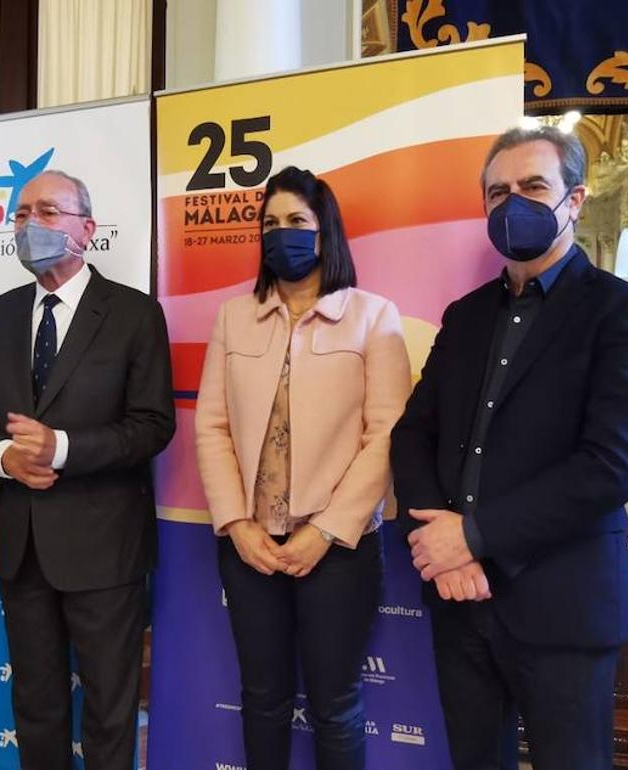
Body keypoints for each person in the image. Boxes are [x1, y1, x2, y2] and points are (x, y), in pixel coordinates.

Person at [390, 126, 628, 770]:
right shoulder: (466, 315)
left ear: (575, 199)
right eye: (497, 192)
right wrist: (441, 544)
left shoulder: (624, 312)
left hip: (561, 603)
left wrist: (474, 538)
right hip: (459, 600)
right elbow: (413, 433)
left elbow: (609, 467)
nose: (513, 203)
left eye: (533, 187)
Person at [0, 170, 175, 770]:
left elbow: (154, 425)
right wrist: (5, 459)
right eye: (22, 215)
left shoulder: (134, 314)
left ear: (87, 229)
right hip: (22, 545)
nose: (30, 225)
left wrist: (63, 448)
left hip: (105, 548)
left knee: (109, 706)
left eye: (48, 212)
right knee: (36, 700)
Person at [195, 166, 412, 770]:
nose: (281, 234)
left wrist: (326, 530)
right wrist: (238, 524)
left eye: (297, 222)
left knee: (335, 704)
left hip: (338, 548)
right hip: (251, 545)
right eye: (270, 224)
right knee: (261, 699)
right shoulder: (234, 317)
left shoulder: (373, 316)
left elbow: (386, 435)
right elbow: (211, 426)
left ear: (325, 233)